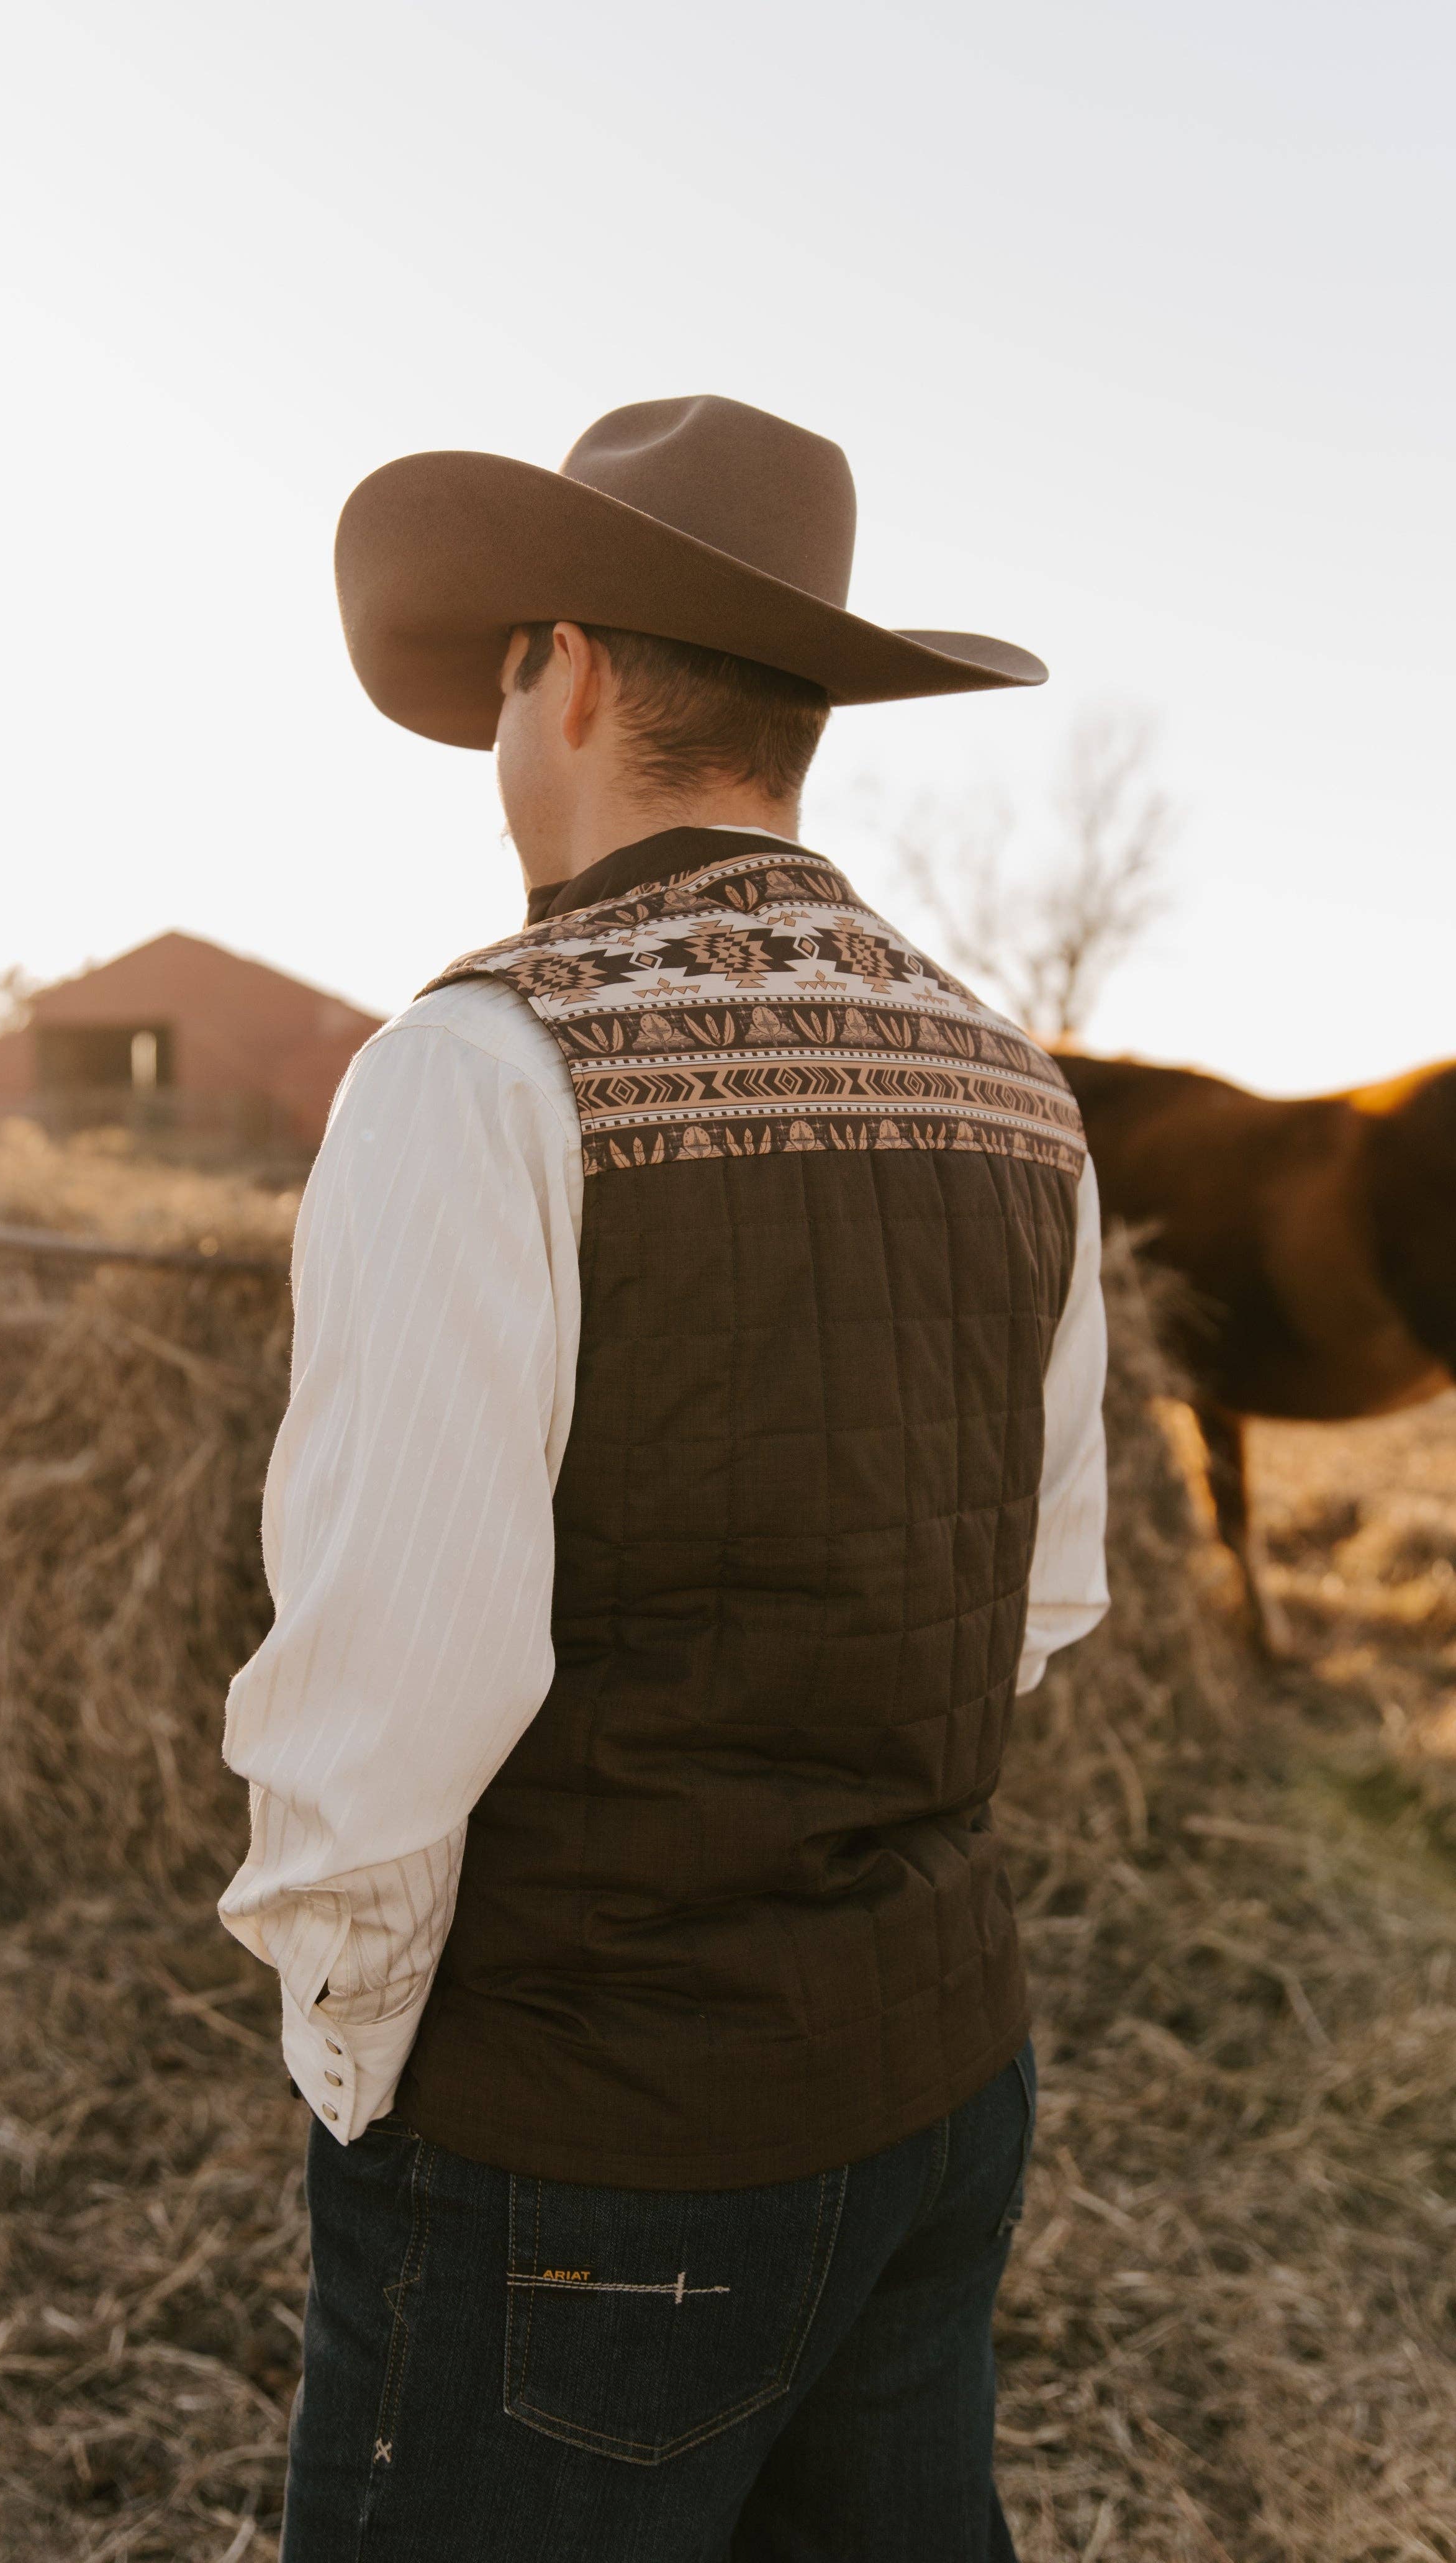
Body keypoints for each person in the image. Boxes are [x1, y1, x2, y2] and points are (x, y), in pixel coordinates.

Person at [219, 395, 1108, 2562]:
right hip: (933, 2083)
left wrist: (363, 2077)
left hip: (586, 2146)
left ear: (573, 671)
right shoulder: (1015, 1089)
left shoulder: (476, 1070)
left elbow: (389, 1697)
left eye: (506, 672)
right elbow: (1036, 1600)